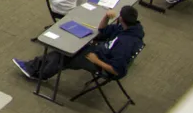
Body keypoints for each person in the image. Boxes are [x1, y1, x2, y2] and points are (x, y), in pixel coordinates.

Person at [14, 5, 145, 84]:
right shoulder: (129, 29)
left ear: (121, 18)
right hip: (100, 52)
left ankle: (37, 72)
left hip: (101, 63)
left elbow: (117, 70)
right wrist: (106, 17)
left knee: (66, 54)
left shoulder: (125, 43)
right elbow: (102, 32)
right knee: (69, 47)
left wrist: (96, 61)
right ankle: (35, 67)